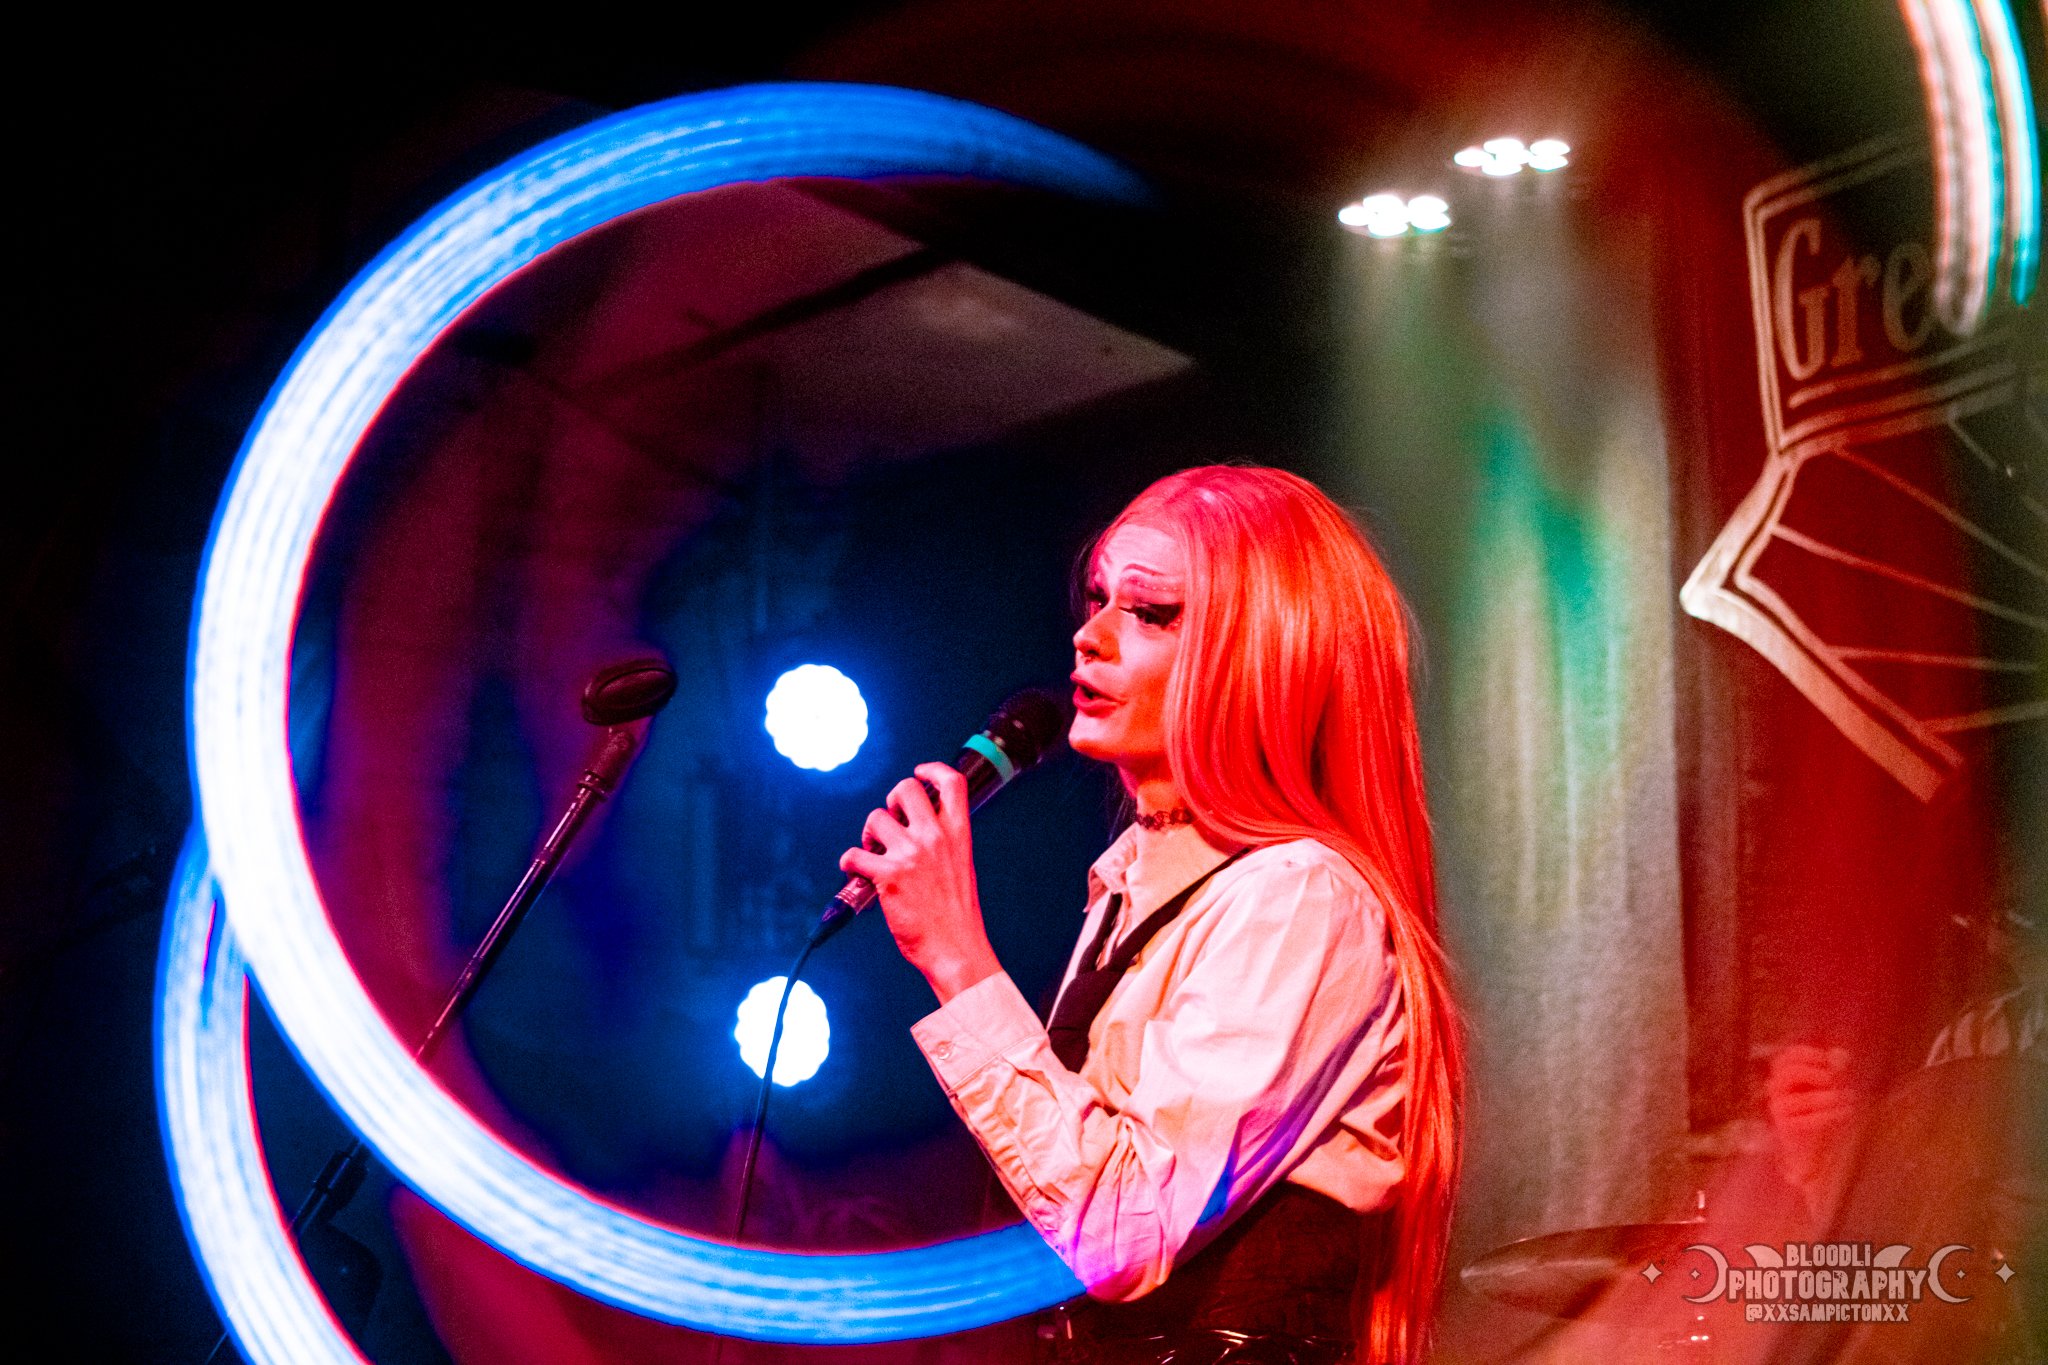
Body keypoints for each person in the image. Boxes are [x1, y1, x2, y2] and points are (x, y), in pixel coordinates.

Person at [841, 465, 1463, 1364]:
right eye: (1098, 599)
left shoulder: (1300, 897)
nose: (1088, 636)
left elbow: (1124, 1233)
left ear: (1262, 657)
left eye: (1150, 611)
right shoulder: (1130, 885)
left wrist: (958, 958)